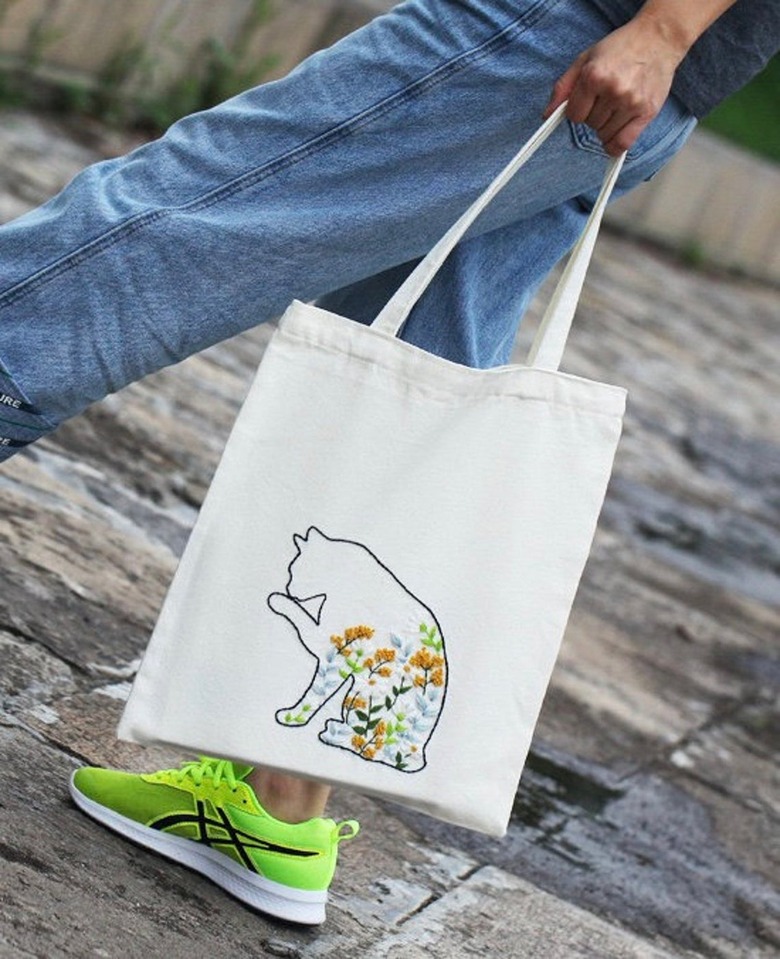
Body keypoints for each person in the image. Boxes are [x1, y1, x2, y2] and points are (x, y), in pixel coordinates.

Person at [1, 0, 778, 927]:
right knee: (416, 371)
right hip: (630, 76)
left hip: (562, 33)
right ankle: (276, 808)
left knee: (175, 217)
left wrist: (664, 27)